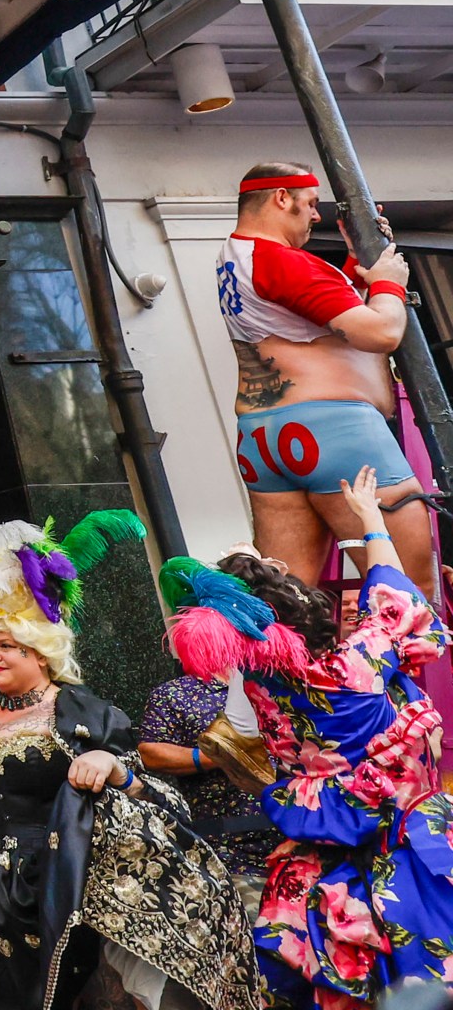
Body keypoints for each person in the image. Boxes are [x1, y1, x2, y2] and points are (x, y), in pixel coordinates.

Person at [0, 516, 259, 1010]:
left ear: (40, 653)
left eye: (7, 646)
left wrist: (113, 764)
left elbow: (161, 797)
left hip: (73, 895)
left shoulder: (78, 710)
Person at [163, 467, 453, 1007]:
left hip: (323, 862)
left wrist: (239, 577)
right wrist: (369, 519)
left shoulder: (257, 688)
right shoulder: (355, 669)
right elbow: (396, 600)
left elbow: (247, 711)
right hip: (408, 844)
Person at [213, 162, 430, 584]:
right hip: (335, 430)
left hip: (264, 437)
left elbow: (305, 320)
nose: (316, 215)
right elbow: (381, 331)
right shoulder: (282, 261)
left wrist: (354, 261)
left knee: (290, 604)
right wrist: (388, 283)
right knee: (408, 594)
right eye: (311, 204)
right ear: (281, 197)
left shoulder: (235, 256)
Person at [134, 672, 281, 891]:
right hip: (229, 857)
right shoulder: (176, 693)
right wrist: (216, 755)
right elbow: (150, 753)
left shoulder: (286, 682)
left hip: (304, 847)